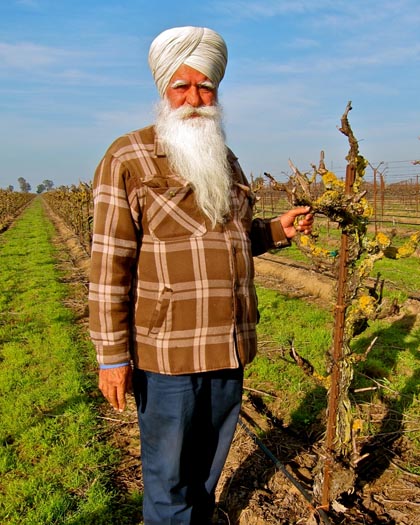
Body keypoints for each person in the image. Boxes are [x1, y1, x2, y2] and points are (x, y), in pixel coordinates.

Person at [89, 26, 314, 525]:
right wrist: (112, 357)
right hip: (167, 353)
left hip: (229, 345)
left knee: (206, 475)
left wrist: (276, 229)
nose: (194, 98)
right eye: (181, 86)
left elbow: (227, 238)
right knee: (169, 481)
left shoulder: (225, 159)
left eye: (205, 87)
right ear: (163, 90)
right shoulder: (129, 156)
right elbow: (109, 264)